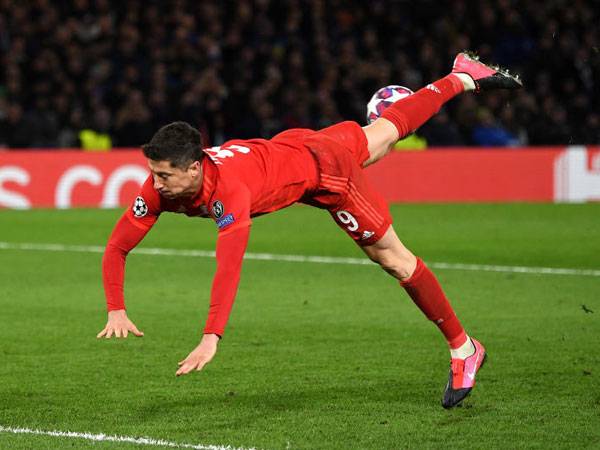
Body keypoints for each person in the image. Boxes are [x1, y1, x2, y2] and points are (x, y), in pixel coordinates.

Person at [97, 52, 521, 408]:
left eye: (164, 176)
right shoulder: (161, 186)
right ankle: (462, 75)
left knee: (393, 257)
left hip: (326, 174)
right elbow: (117, 247)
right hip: (295, 146)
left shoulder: (229, 194)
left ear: (194, 167)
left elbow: (228, 267)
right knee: (385, 134)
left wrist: (211, 337)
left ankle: (464, 348)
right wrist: (116, 306)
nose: (155, 184)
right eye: (152, 173)